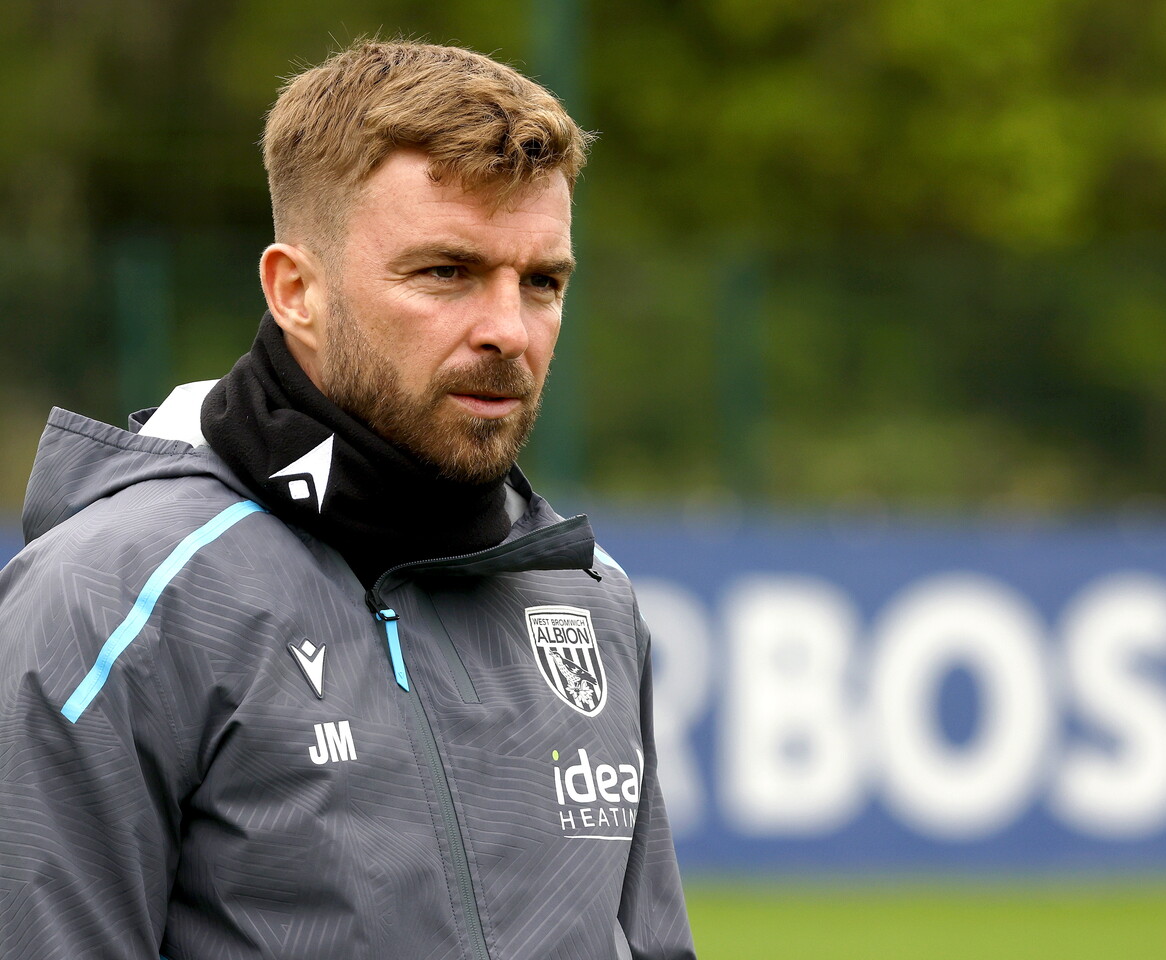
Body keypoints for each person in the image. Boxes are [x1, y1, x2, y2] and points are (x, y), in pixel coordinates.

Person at [0, 40, 695, 960]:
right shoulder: (112, 599)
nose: (507, 331)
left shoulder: (588, 597)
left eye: (542, 282)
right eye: (445, 271)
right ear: (297, 291)